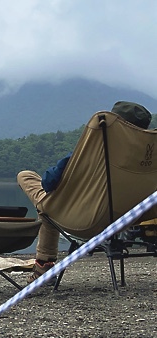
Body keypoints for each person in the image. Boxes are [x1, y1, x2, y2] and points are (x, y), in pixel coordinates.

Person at [17, 100, 152, 283]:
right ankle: (44, 266)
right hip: (125, 221)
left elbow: (48, 183)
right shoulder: (150, 163)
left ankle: (44, 266)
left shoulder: (89, 153)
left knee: (32, 188)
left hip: (83, 220)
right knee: (47, 209)